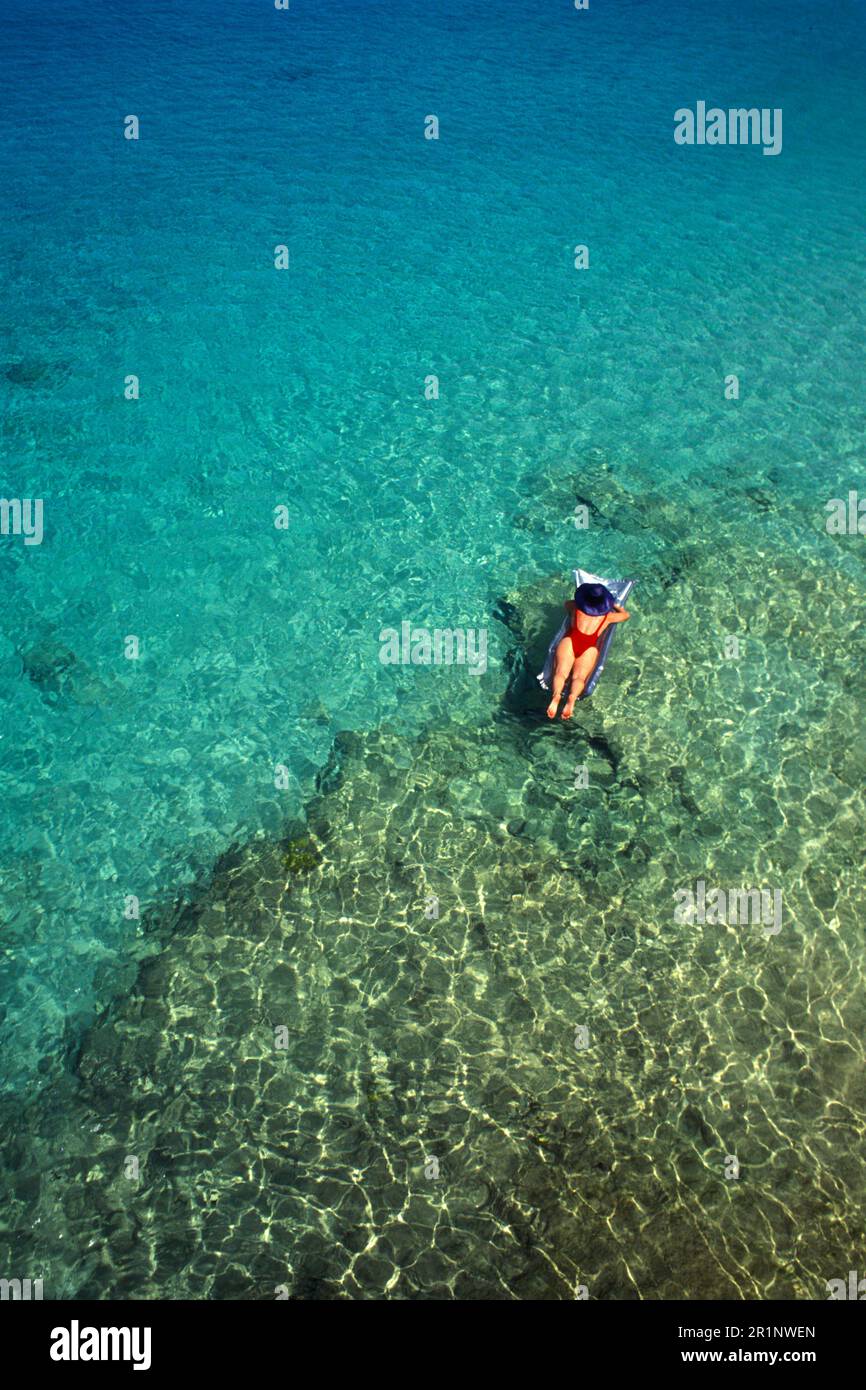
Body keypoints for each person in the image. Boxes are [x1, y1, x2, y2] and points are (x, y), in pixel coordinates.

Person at [546, 581, 630, 719]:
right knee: (579, 677)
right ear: (605, 604)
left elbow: (567, 603)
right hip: (589, 648)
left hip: (570, 641)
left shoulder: (575, 608)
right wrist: (614, 605)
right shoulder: (608, 617)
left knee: (560, 672)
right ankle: (572, 698)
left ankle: (556, 696)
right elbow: (626, 616)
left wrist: (580, 602)